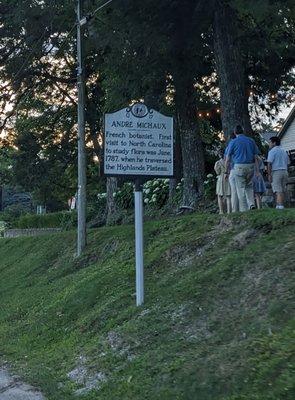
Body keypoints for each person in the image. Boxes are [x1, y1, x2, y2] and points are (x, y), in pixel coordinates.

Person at [225, 125, 260, 212]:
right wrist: (257, 171)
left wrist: (226, 171)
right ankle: (251, 204)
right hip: (250, 166)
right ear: (243, 131)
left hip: (239, 167)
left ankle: (244, 210)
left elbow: (228, 158)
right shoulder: (251, 141)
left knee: (240, 189)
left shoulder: (233, 142)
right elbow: (256, 157)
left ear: (235, 132)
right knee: (249, 186)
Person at [267, 136, 290, 209]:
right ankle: (283, 205)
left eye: (270, 142)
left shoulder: (272, 151)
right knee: (283, 189)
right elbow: (288, 162)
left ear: (274, 143)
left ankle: (280, 206)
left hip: (276, 172)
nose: (269, 144)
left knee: (278, 190)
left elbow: (269, 163)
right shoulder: (284, 151)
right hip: (285, 171)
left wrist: (269, 174)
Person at [224, 133, 239, 212]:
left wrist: (226, 172)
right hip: (241, 167)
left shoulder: (229, 147)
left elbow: (226, 160)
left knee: (234, 191)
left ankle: (235, 209)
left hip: (232, 170)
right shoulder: (240, 145)